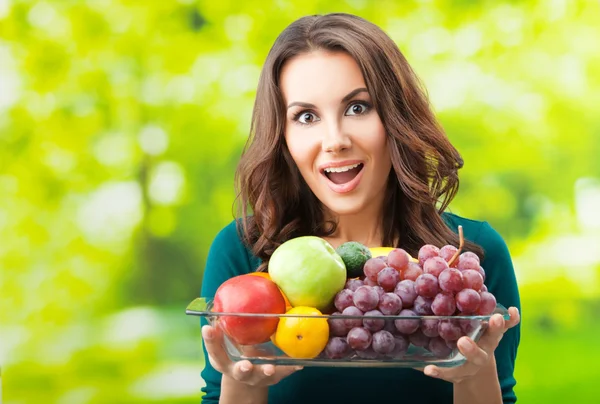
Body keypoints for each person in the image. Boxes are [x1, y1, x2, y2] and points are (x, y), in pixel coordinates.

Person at [199, 12, 521, 404]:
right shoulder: (241, 252)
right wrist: (244, 381)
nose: (334, 140)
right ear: (283, 138)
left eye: (358, 108)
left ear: (396, 116)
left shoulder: (466, 261)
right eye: (306, 116)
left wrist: (474, 373)